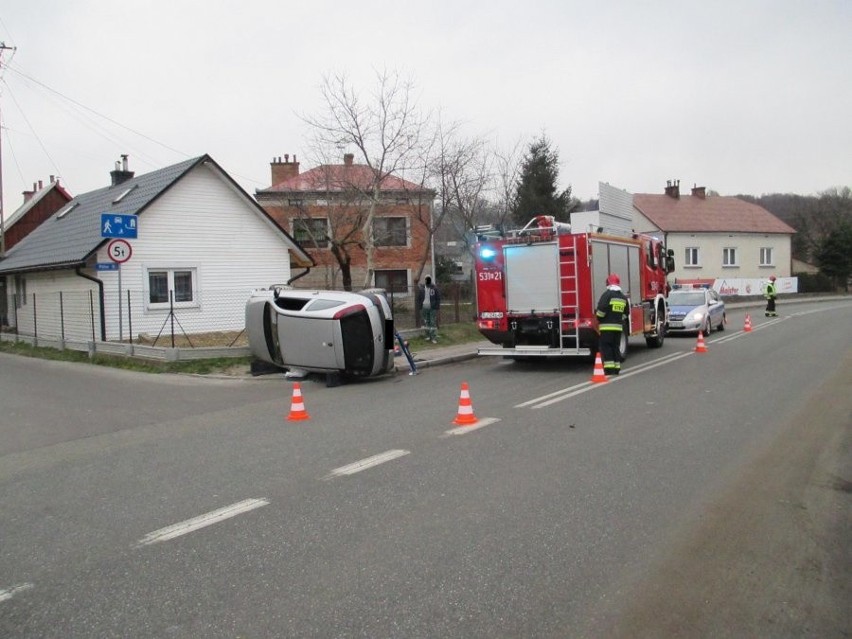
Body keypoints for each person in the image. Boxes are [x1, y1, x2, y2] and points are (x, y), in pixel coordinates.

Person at [595, 273, 629, 375]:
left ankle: (609, 369)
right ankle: (617, 367)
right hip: (618, 328)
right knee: (615, 347)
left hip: (606, 328)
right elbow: (626, 313)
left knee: (607, 347)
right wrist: (618, 319)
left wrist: (599, 318)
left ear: (609, 283)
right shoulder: (623, 297)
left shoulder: (607, 295)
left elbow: (601, 310)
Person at [416, 276, 441, 343]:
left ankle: (433, 337)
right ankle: (428, 335)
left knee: (432, 322)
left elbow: (438, 298)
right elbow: (419, 299)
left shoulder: (434, 288)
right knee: (426, 322)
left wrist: (436, 306)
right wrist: (420, 307)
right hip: (424, 307)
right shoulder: (422, 289)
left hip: (432, 308)